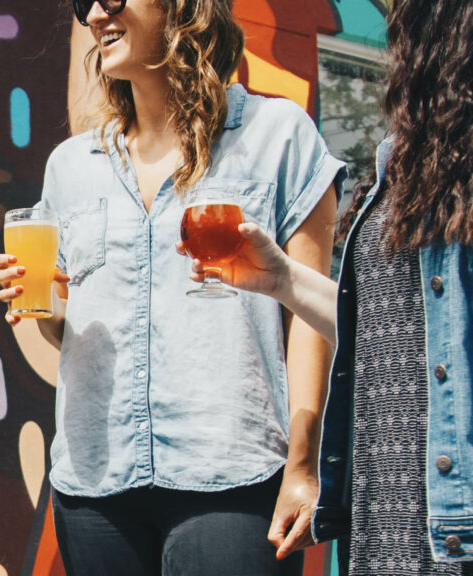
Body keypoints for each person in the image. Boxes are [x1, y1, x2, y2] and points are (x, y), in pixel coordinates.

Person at [0, 0, 345, 573]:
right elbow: (74, 331)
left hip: (235, 476)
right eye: (85, 3)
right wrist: (47, 307)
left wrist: (304, 465)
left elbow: (308, 315)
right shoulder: (71, 166)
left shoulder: (277, 137)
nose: (96, 14)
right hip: (94, 484)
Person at [178, 1, 473, 573]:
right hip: (389, 520)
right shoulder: (410, 158)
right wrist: (283, 280)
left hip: (454, 532)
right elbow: (398, 339)